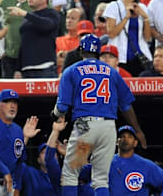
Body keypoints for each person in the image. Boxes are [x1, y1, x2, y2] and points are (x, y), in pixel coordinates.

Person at [51, 34, 146, 196]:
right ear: (98, 52)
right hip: (108, 127)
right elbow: (126, 106)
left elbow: (62, 107)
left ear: (81, 50)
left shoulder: (72, 70)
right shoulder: (112, 72)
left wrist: (54, 114)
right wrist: (138, 130)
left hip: (85, 127)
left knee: (71, 173)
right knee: (101, 178)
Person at [108, 125, 163, 195]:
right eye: (122, 136)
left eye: (130, 137)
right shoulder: (106, 163)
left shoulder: (145, 164)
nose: (126, 139)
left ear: (135, 143)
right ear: (117, 141)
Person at [7, 0, 60, 78]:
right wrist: (18, 68)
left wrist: (25, 14)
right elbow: (23, 43)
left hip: (45, 68)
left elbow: (46, 25)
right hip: (26, 69)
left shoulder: (52, 14)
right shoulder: (28, 18)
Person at [103, 0, 152, 76]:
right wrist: (126, 17)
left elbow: (147, 38)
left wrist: (145, 17)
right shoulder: (114, 6)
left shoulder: (142, 8)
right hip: (120, 57)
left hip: (139, 58)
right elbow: (111, 34)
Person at [0, 0, 32, 78]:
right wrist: (1, 49)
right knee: (8, 88)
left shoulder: (37, 0)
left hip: (31, 57)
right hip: (9, 55)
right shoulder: (5, 2)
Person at [56, 8, 85, 75]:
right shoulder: (58, 41)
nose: (69, 21)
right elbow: (55, 62)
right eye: (68, 18)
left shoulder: (84, 40)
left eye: (73, 18)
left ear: (81, 21)